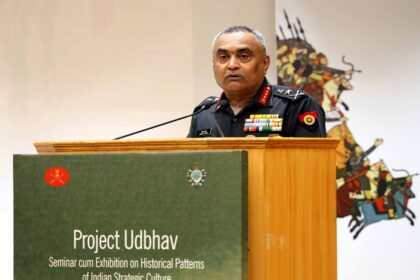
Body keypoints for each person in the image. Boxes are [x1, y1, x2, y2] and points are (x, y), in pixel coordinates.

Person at [187, 26, 326, 138]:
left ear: (265, 63)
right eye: (223, 57)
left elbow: (311, 166)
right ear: (213, 65)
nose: (232, 65)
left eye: (244, 56)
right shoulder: (203, 113)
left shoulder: (296, 105)